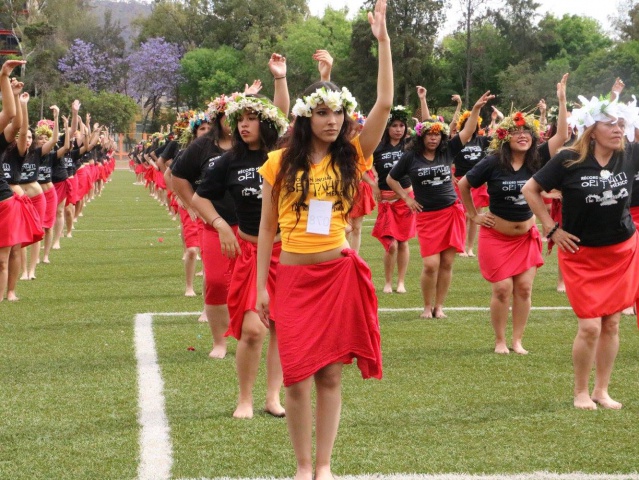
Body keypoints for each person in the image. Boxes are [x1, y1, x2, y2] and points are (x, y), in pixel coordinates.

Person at [256, 1, 389, 478]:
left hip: (337, 274)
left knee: (331, 374)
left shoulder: (352, 153)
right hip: (292, 277)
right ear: (305, 118)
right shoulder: (279, 162)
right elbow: (267, 229)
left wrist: (383, 41)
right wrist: (261, 286)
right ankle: (302, 464)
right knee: (295, 378)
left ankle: (325, 465)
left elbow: (384, 104)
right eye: (322, 113)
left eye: (338, 113)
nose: (332, 121)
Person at [522, 92, 639, 410]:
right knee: (589, 326)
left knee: (612, 323)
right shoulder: (568, 159)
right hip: (582, 254)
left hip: (621, 251)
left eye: (621, 123)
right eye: (610, 123)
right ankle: (580, 392)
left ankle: (602, 390)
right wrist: (551, 228)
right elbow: (530, 189)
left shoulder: (630, 153)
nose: (618, 129)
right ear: (592, 129)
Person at [459, 74, 569, 354]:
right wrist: (473, 215)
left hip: (526, 237)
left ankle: (517, 340)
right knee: (502, 289)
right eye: (517, 132)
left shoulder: (538, 159)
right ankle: (500, 341)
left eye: (527, 133)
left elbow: (562, 136)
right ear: (505, 137)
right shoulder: (493, 162)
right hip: (496, 237)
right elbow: (463, 184)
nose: (523, 136)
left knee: (524, 290)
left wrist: (561, 100)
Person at [387, 91, 493, 319]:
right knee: (430, 265)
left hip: (451, 212)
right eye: (429, 135)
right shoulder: (410, 157)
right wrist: (407, 198)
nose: (433, 139)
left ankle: (439, 306)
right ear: (421, 137)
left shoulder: (447, 151)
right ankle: (427, 306)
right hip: (427, 216)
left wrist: (475, 109)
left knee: (446, 264)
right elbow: (390, 178)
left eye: (437, 135)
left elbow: (467, 132)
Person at [370, 103, 415, 293]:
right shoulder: (378, 147)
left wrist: (422, 100)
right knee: (391, 245)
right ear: (387, 127)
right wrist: (373, 184)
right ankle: (388, 282)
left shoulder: (411, 146)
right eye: (394, 125)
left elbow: (428, 124)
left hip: (405, 200)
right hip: (386, 200)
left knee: (403, 242)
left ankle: (401, 282)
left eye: (401, 126)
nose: (398, 129)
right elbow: (360, 165)